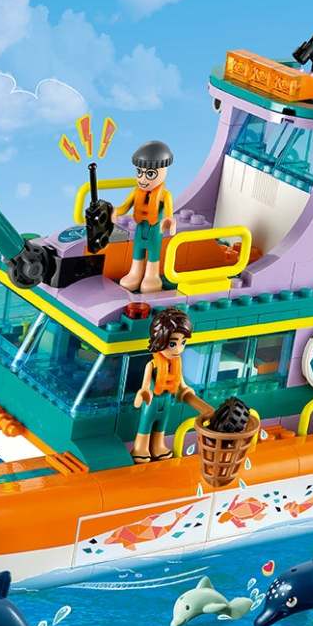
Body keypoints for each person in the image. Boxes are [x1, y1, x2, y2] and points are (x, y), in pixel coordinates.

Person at [131, 307, 198, 464]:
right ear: (159, 340)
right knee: (146, 423)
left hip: (167, 399)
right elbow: (146, 384)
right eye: (173, 343)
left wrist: (184, 388)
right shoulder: (152, 364)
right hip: (152, 400)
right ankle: (140, 447)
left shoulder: (177, 362)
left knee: (162, 423)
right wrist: (143, 392)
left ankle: (158, 446)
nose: (179, 349)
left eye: (183, 343)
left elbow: (180, 380)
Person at [113, 140, 176, 294]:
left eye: (149, 174)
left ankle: (152, 276)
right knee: (138, 250)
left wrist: (169, 221)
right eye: (139, 172)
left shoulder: (165, 195)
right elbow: (124, 207)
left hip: (155, 230)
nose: (142, 179)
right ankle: (135, 273)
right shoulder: (136, 192)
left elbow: (169, 214)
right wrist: (114, 211)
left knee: (153, 253)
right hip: (140, 228)